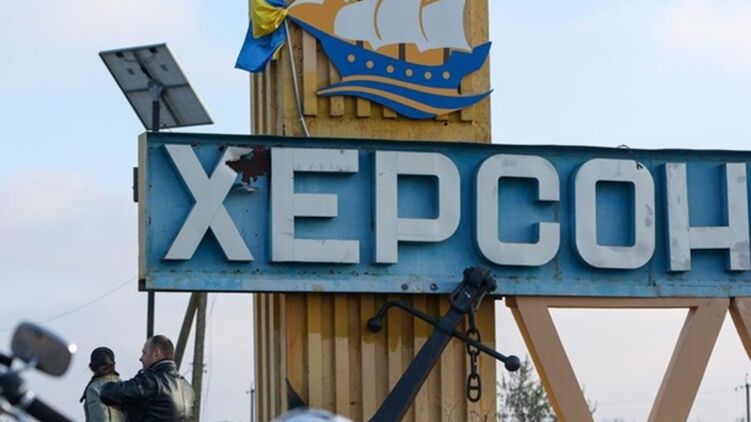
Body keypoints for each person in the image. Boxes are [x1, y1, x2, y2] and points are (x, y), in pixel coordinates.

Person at [100, 335, 194, 421]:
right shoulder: (188, 389)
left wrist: (125, 404)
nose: (141, 358)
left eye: (144, 353)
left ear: (156, 354)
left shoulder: (151, 381)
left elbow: (107, 393)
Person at [80, 347, 125, 422]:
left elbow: (99, 418)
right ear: (113, 365)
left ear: (91, 367)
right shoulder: (124, 386)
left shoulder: (94, 389)